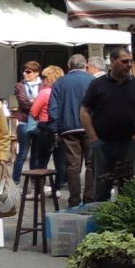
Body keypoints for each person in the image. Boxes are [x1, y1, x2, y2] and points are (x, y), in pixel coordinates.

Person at [81, 46, 135, 202]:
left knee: (129, 189)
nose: (129, 65)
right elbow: (85, 110)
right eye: (124, 61)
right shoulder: (98, 84)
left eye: (130, 61)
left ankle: (126, 216)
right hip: (103, 143)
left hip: (129, 143)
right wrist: (93, 138)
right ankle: (101, 216)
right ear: (112, 61)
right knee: (102, 188)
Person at [48, 54, 95, 206]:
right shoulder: (93, 81)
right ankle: (89, 198)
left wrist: (55, 130)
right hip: (90, 128)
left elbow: (53, 109)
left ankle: (74, 200)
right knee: (91, 164)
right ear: (85, 65)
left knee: (73, 165)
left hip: (68, 128)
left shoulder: (60, 82)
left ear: (69, 66)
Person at [29, 66, 65, 174]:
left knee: (41, 161)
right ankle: (60, 183)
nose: (42, 79)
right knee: (61, 161)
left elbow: (33, 112)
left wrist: (38, 117)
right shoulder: (63, 91)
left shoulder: (44, 92)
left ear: (48, 78)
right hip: (61, 127)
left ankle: (40, 182)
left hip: (45, 127)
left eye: (44, 77)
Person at [12, 61, 42, 183]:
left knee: (36, 154)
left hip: (39, 122)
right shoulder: (20, 86)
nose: (25, 73)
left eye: (28, 71)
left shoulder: (43, 85)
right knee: (22, 154)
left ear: (36, 73)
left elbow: (46, 102)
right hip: (24, 122)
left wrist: (34, 101)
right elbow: (23, 103)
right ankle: (16, 181)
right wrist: (38, 101)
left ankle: (35, 181)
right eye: (23, 71)